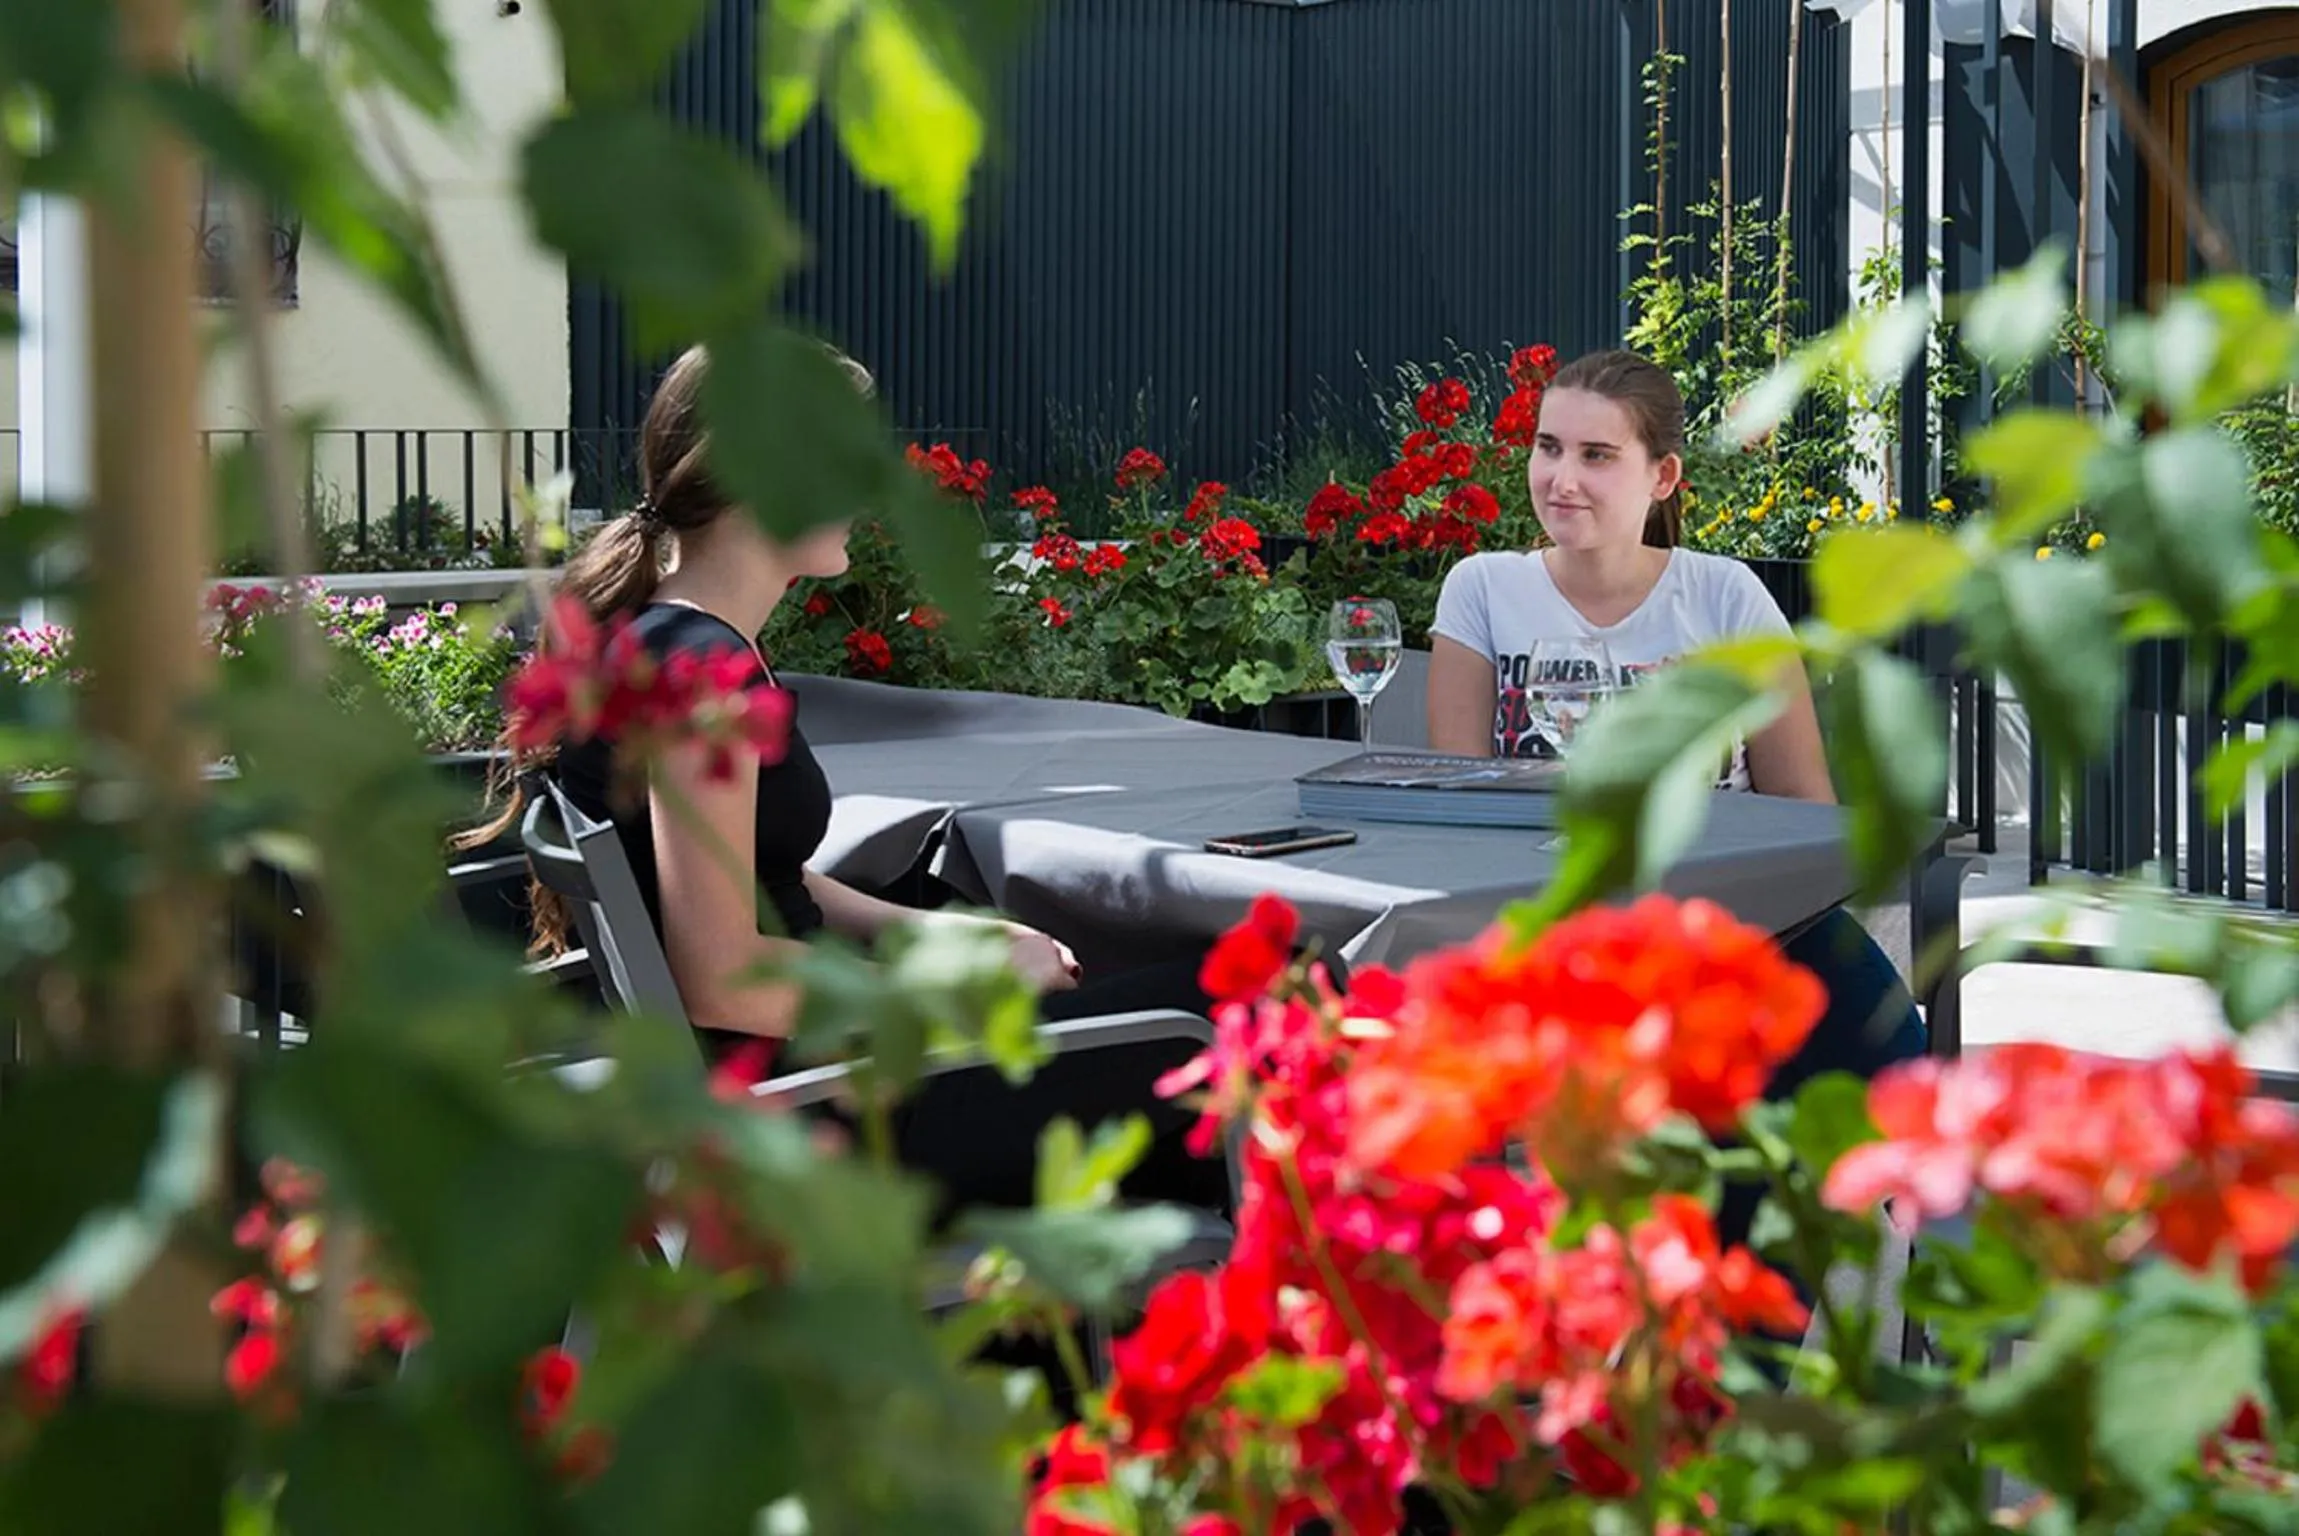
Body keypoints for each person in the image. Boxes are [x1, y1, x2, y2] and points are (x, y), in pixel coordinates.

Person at [465, 343, 1235, 1219]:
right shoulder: (702, 677)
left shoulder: (654, 642)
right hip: (820, 1120)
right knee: (1256, 1001)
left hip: (795, 1090)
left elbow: (772, 885)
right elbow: (724, 975)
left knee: (1199, 1033)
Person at [1424, 348, 1927, 1238]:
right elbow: (1460, 798)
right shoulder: (1482, 590)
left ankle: (1741, 1320)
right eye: (1548, 448)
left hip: (1727, 923)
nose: (1559, 479)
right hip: (1555, 929)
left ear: (1662, 477)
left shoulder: (1724, 596)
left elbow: (1804, 809)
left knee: (1882, 1041)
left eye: (1596, 455)